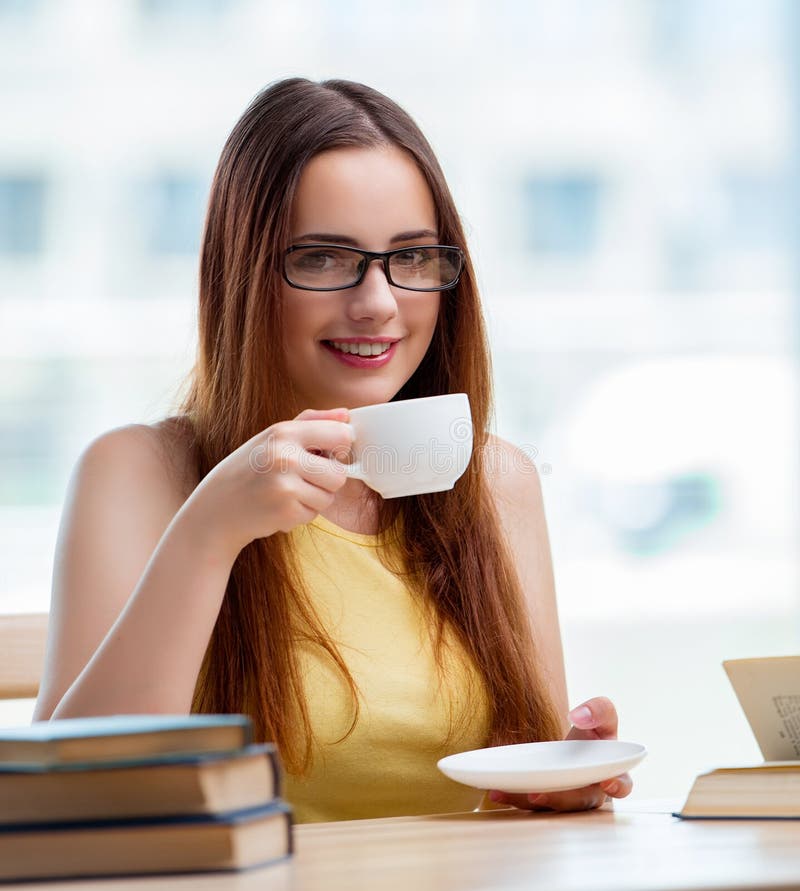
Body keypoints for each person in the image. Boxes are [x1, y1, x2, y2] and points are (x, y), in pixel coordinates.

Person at [32, 78, 632, 822]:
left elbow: (522, 790)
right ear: (242, 273)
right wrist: (211, 529)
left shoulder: (498, 482)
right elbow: (66, 805)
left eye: (411, 258)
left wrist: (562, 777)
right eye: (323, 259)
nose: (378, 301)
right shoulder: (139, 475)